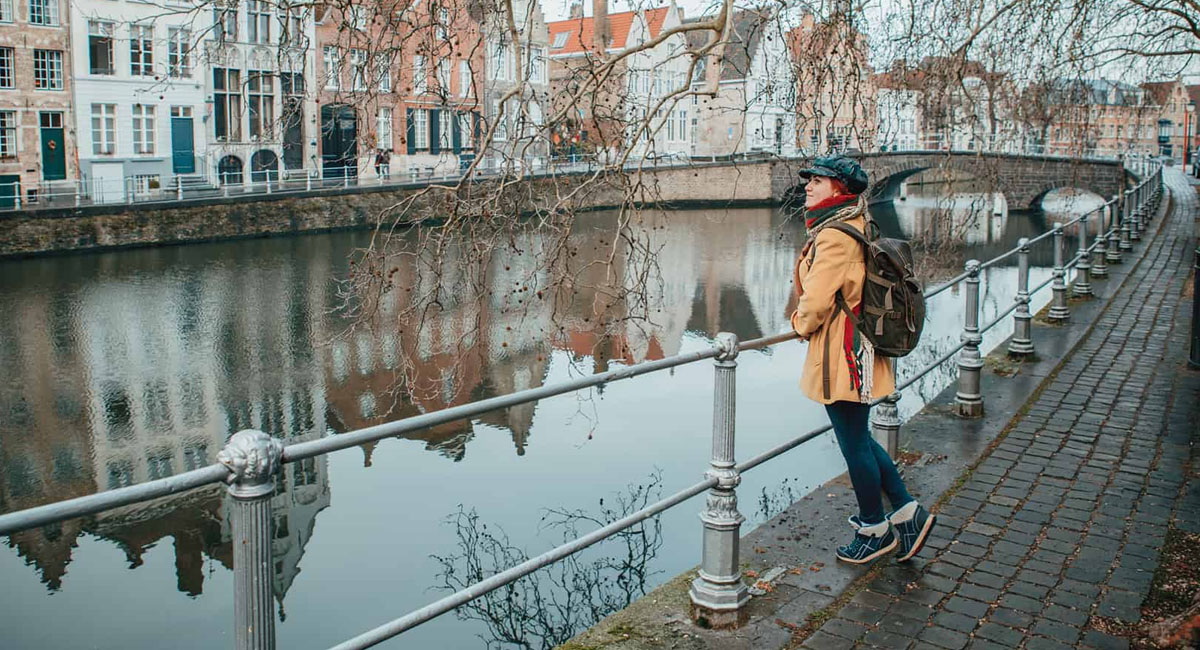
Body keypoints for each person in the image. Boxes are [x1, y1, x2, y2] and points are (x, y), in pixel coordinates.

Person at [790, 155, 935, 565]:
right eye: (810, 180)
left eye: (817, 180)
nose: (808, 186)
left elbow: (816, 302)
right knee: (861, 438)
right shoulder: (857, 222)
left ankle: (875, 529)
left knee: (853, 442)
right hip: (857, 348)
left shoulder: (834, 235)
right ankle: (907, 513)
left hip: (844, 353)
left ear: (840, 188)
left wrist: (799, 324)